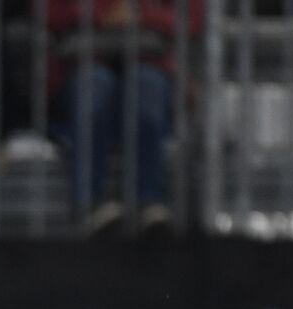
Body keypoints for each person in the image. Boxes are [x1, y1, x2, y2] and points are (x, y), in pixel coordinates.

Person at [47, 0, 204, 236]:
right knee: (95, 89)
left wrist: (142, 15)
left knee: (147, 92)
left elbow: (190, 18)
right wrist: (100, 13)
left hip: (151, 59)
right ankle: (88, 205)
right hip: (82, 59)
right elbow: (46, 12)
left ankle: (148, 202)